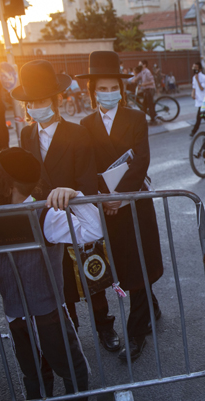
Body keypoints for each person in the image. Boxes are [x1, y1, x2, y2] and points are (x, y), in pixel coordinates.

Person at [13, 59, 119, 353]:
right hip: (46, 221)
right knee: (59, 284)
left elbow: (87, 179)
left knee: (91, 277)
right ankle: (69, 331)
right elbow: (25, 180)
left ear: (56, 99)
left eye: (42, 99)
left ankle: (104, 327)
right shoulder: (25, 135)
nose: (37, 105)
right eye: (31, 101)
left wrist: (70, 192)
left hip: (77, 215)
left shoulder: (76, 133)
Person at [0, 148, 99, 400]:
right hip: (15, 315)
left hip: (47, 314)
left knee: (70, 366)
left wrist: (76, 197)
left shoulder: (45, 216)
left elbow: (93, 232)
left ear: (5, 185)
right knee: (32, 372)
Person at [79, 51, 165, 363]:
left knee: (140, 264)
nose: (107, 92)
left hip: (133, 203)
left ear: (120, 87)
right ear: (92, 91)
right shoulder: (85, 124)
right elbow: (86, 166)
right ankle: (149, 307)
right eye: (100, 88)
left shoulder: (136, 117)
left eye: (111, 86)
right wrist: (106, 197)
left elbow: (141, 159)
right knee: (119, 267)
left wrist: (122, 195)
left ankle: (135, 333)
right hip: (106, 206)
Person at [191, 61, 205, 134]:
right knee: (202, 117)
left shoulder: (203, 77)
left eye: (196, 68)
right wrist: (192, 94)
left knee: (199, 117)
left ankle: (193, 132)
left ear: (200, 69)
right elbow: (194, 87)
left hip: (204, 100)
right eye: (193, 67)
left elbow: (202, 88)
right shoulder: (194, 77)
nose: (194, 69)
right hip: (199, 101)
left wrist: (198, 79)